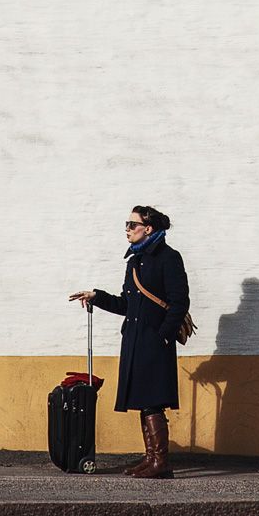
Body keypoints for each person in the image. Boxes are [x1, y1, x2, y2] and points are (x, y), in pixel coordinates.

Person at [70, 205, 189, 479]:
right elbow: (127, 304)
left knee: (154, 401)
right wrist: (97, 297)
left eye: (132, 224)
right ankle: (151, 459)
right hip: (135, 340)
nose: (127, 229)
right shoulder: (134, 261)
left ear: (148, 228)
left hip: (155, 340)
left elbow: (180, 301)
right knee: (145, 401)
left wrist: (163, 336)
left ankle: (161, 461)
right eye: (126, 224)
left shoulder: (169, 258)